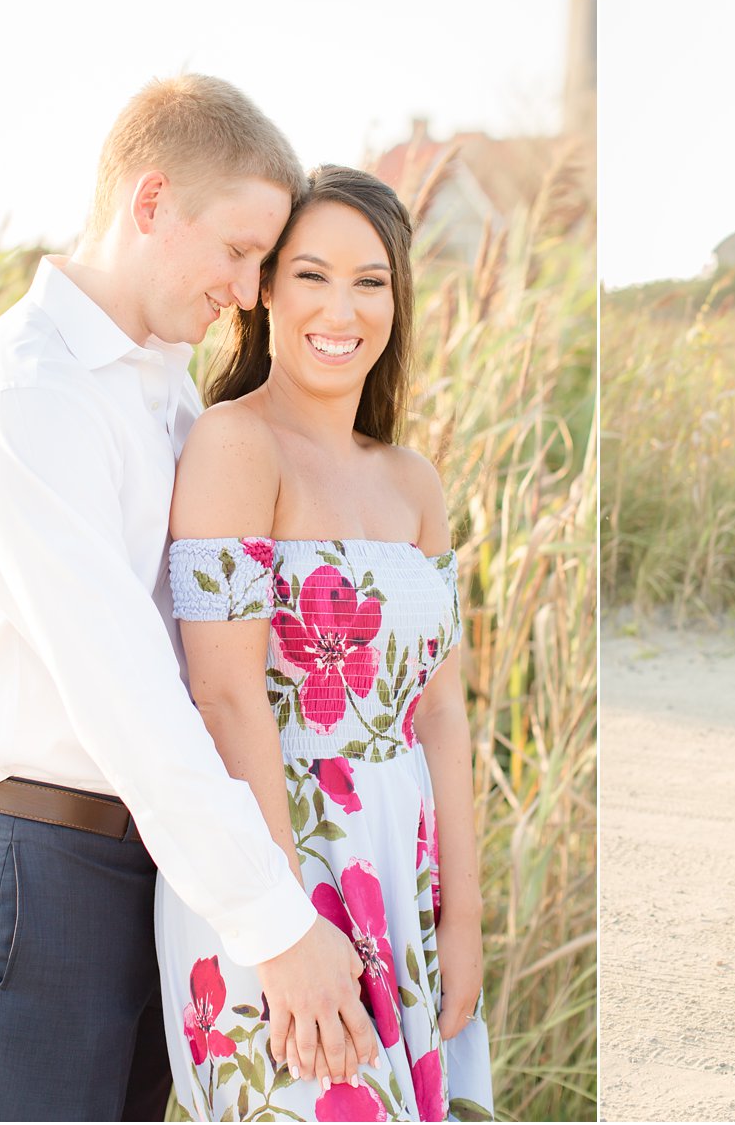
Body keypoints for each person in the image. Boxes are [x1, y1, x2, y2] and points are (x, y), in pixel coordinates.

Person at [0, 76, 376, 1121]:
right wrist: (277, 923)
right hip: (29, 860)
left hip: (147, 863)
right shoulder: (31, 395)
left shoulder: (159, 380)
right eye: (239, 251)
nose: (250, 291)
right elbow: (126, 690)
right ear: (151, 201)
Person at [154, 164, 494, 1121]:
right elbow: (225, 698)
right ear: (264, 288)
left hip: (400, 865)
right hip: (278, 864)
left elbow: (441, 713)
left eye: (370, 280)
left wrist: (460, 921)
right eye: (310, 274)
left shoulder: (412, 480)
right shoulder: (233, 445)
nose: (340, 307)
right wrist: (286, 924)